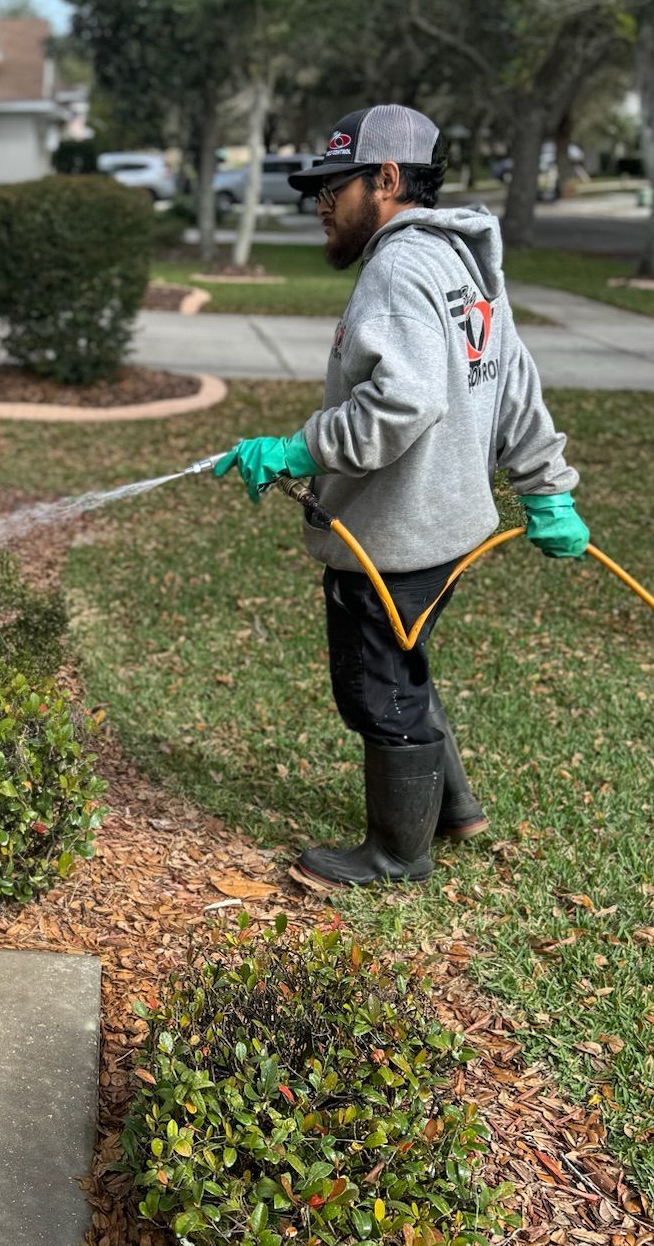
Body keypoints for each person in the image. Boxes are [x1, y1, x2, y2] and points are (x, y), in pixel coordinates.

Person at [212, 103, 589, 894]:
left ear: (385, 179)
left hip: (394, 535)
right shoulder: (464, 264)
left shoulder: (395, 269)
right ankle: (454, 810)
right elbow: (510, 376)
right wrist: (545, 488)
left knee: (375, 687)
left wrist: (298, 447)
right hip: (448, 524)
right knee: (403, 662)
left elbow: (402, 405)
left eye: (333, 185)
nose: (318, 202)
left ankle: (396, 854)